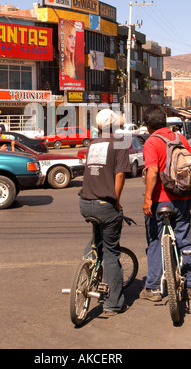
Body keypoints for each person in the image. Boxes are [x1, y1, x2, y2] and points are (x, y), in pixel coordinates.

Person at [140, 106, 191, 302]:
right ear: (165, 121)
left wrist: (147, 199)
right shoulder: (180, 139)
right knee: (184, 241)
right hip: (182, 199)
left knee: (154, 242)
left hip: (160, 201)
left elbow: (152, 172)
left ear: (149, 126)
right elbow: (190, 168)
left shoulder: (152, 142)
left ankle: (152, 288)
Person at [79, 108, 131, 316]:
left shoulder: (93, 143)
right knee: (111, 252)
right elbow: (120, 176)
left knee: (96, 240)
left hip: (84, 203)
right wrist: (117, 203)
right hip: (105, 205)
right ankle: (114, 303)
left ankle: (88, 265)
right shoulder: (119, 142)